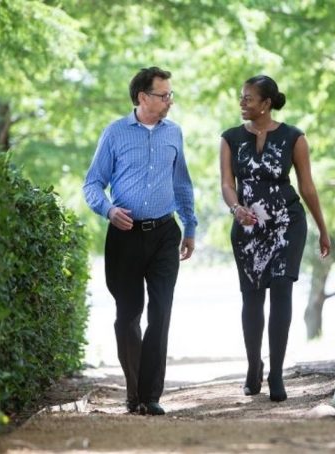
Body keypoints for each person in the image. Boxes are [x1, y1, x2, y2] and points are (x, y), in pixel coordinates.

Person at [84, 66, 197, 416]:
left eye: (170, 95)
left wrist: (190, 226)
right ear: (142, 97)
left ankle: (151, 395)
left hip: (165, 232)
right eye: (164, 95)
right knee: (128, 315)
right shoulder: (115, 133)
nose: (169, 101)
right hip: (125, 235)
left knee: (160, 312)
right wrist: (108, 210)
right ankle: (134, 393)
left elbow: (182, 184)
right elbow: (92, 184)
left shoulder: (174, 134)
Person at [219, 75, 331, 402]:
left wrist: (323, 228)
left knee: (282, 291)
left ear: (266, 104)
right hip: (248, 227)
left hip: (287, 223)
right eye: (242, 97)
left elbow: (307, 187)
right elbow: (227, 184)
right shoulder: (229, 138)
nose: (242, 103)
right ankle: (254, 366)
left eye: (248, 98)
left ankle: (276, 374)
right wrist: (236, 208)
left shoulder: (294, 138)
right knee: (252, 299)